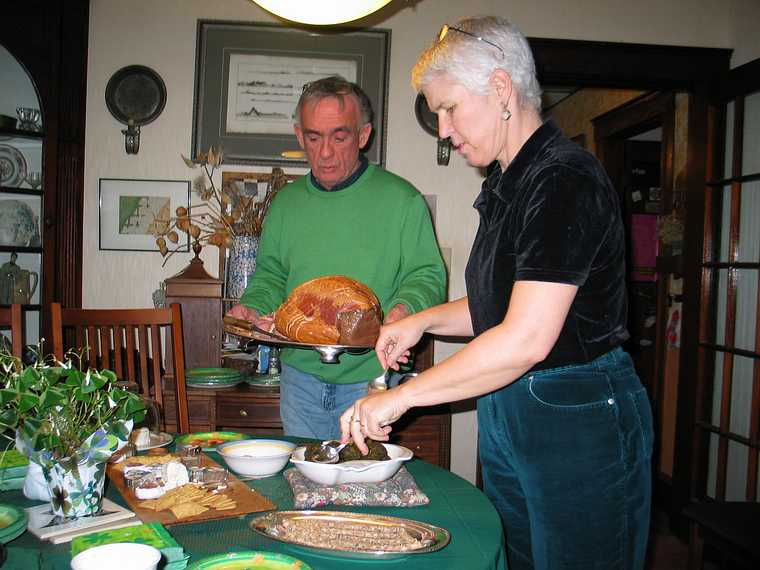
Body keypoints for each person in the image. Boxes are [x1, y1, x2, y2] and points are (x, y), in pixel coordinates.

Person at [340, 16, 653, 570]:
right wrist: (424, 321)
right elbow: (505, 306)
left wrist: (401, 395)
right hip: (512, 404)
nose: (442, 128)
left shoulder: (563, 179)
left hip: (578, 410)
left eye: (449, 108)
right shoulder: (509, 185)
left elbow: (526, 337)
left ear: (502, 90)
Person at [227, 76, 446, 441]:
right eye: (314, 137)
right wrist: (251, 307)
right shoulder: (286, 205)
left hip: (372, 375)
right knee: (307, 486)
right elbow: (270, 276)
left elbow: (426, 274)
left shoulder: (403, 201)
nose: (325, 152)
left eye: (339, 136)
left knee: (363, 486)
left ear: (363, 135)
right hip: (298, 377)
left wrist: (404, 310)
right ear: (299, 137)